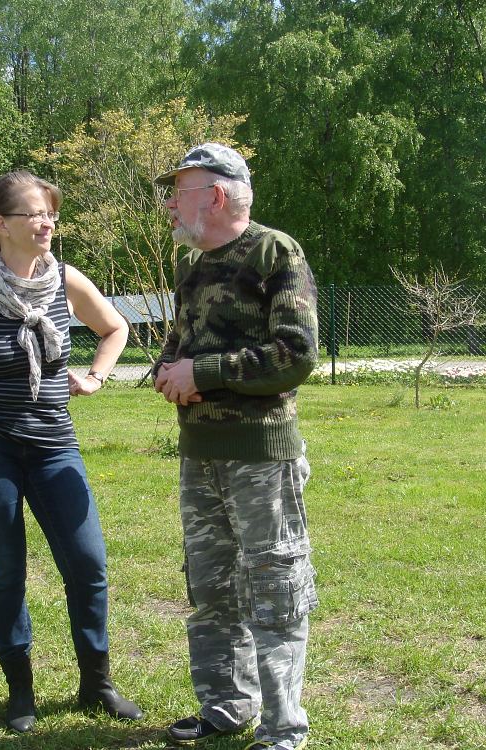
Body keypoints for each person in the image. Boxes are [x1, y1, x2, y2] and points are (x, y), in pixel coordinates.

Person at [0, 170, 143, 733]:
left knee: (88, 563)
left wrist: (95, 376)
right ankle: (20, 689)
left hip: (53, 442)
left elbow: (115, 328)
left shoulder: (64, 280)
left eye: (51, 213)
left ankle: (96, 683)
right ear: (2, 224)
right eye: (34, 214)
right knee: (5, 571)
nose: (47, 223)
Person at [153, 144, 319, 750]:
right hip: (200, 453)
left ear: (217, 195)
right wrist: (167, 371)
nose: (171, 205)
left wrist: (202, 372)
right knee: (211, 586)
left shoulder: (275, 253)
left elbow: (295, 354)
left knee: (274, 586)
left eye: (180, 192)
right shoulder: (192, 266)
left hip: (260, 457)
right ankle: (226, 707)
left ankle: (283, 728)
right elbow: (179, 343)